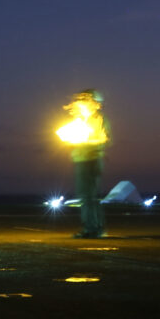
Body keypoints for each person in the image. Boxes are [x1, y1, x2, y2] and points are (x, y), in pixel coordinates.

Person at [59, 89, 111, 238]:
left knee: (89, 196)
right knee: (87, 196)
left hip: (91, 160)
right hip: (82, 159)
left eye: (84, 100)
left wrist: (84, 141)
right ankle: (94, 228)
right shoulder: (82, 120)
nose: (80, 103)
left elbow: (104, 139)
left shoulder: (98, 119)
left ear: (93, 103)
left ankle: (93, 229)